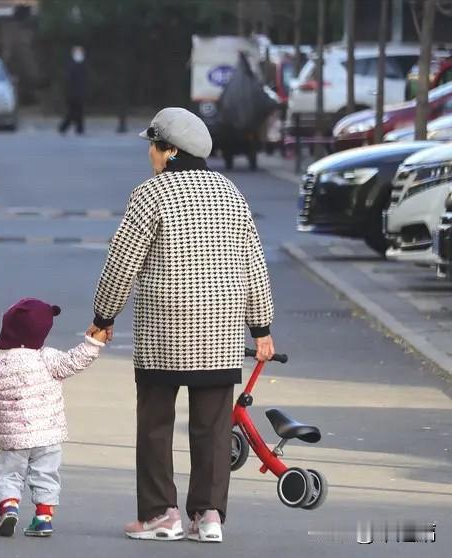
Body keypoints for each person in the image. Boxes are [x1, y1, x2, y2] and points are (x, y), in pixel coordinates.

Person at [87, 107, 275, 544]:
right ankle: (208, 516)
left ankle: (160, 514)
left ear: (171, 151)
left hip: (164, 330)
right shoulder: (231, 193)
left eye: (153, 145)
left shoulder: (150, 195)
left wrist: (103, 317)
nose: (150, 154)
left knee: (155, 422)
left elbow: (122, 263)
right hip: (221, 332)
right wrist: (261, 327)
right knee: (212, 426)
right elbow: (253, 264)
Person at [0, 298, 108, 538]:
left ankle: (9, 507)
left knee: (9, 474)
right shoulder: (48, 358)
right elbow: (74, 361)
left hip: (14, 439)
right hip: (48, 436)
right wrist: (93, 343)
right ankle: (43, 518)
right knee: (46, 474)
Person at [58, 46, 87, 135]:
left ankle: (78, 128)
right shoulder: (72, 65)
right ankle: (64, 127)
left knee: (78, 111)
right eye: (78, 52)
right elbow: (68, 80)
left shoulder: (82, 64)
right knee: (73, 112)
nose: (79, 54)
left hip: (79, 92)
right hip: (72, 93)